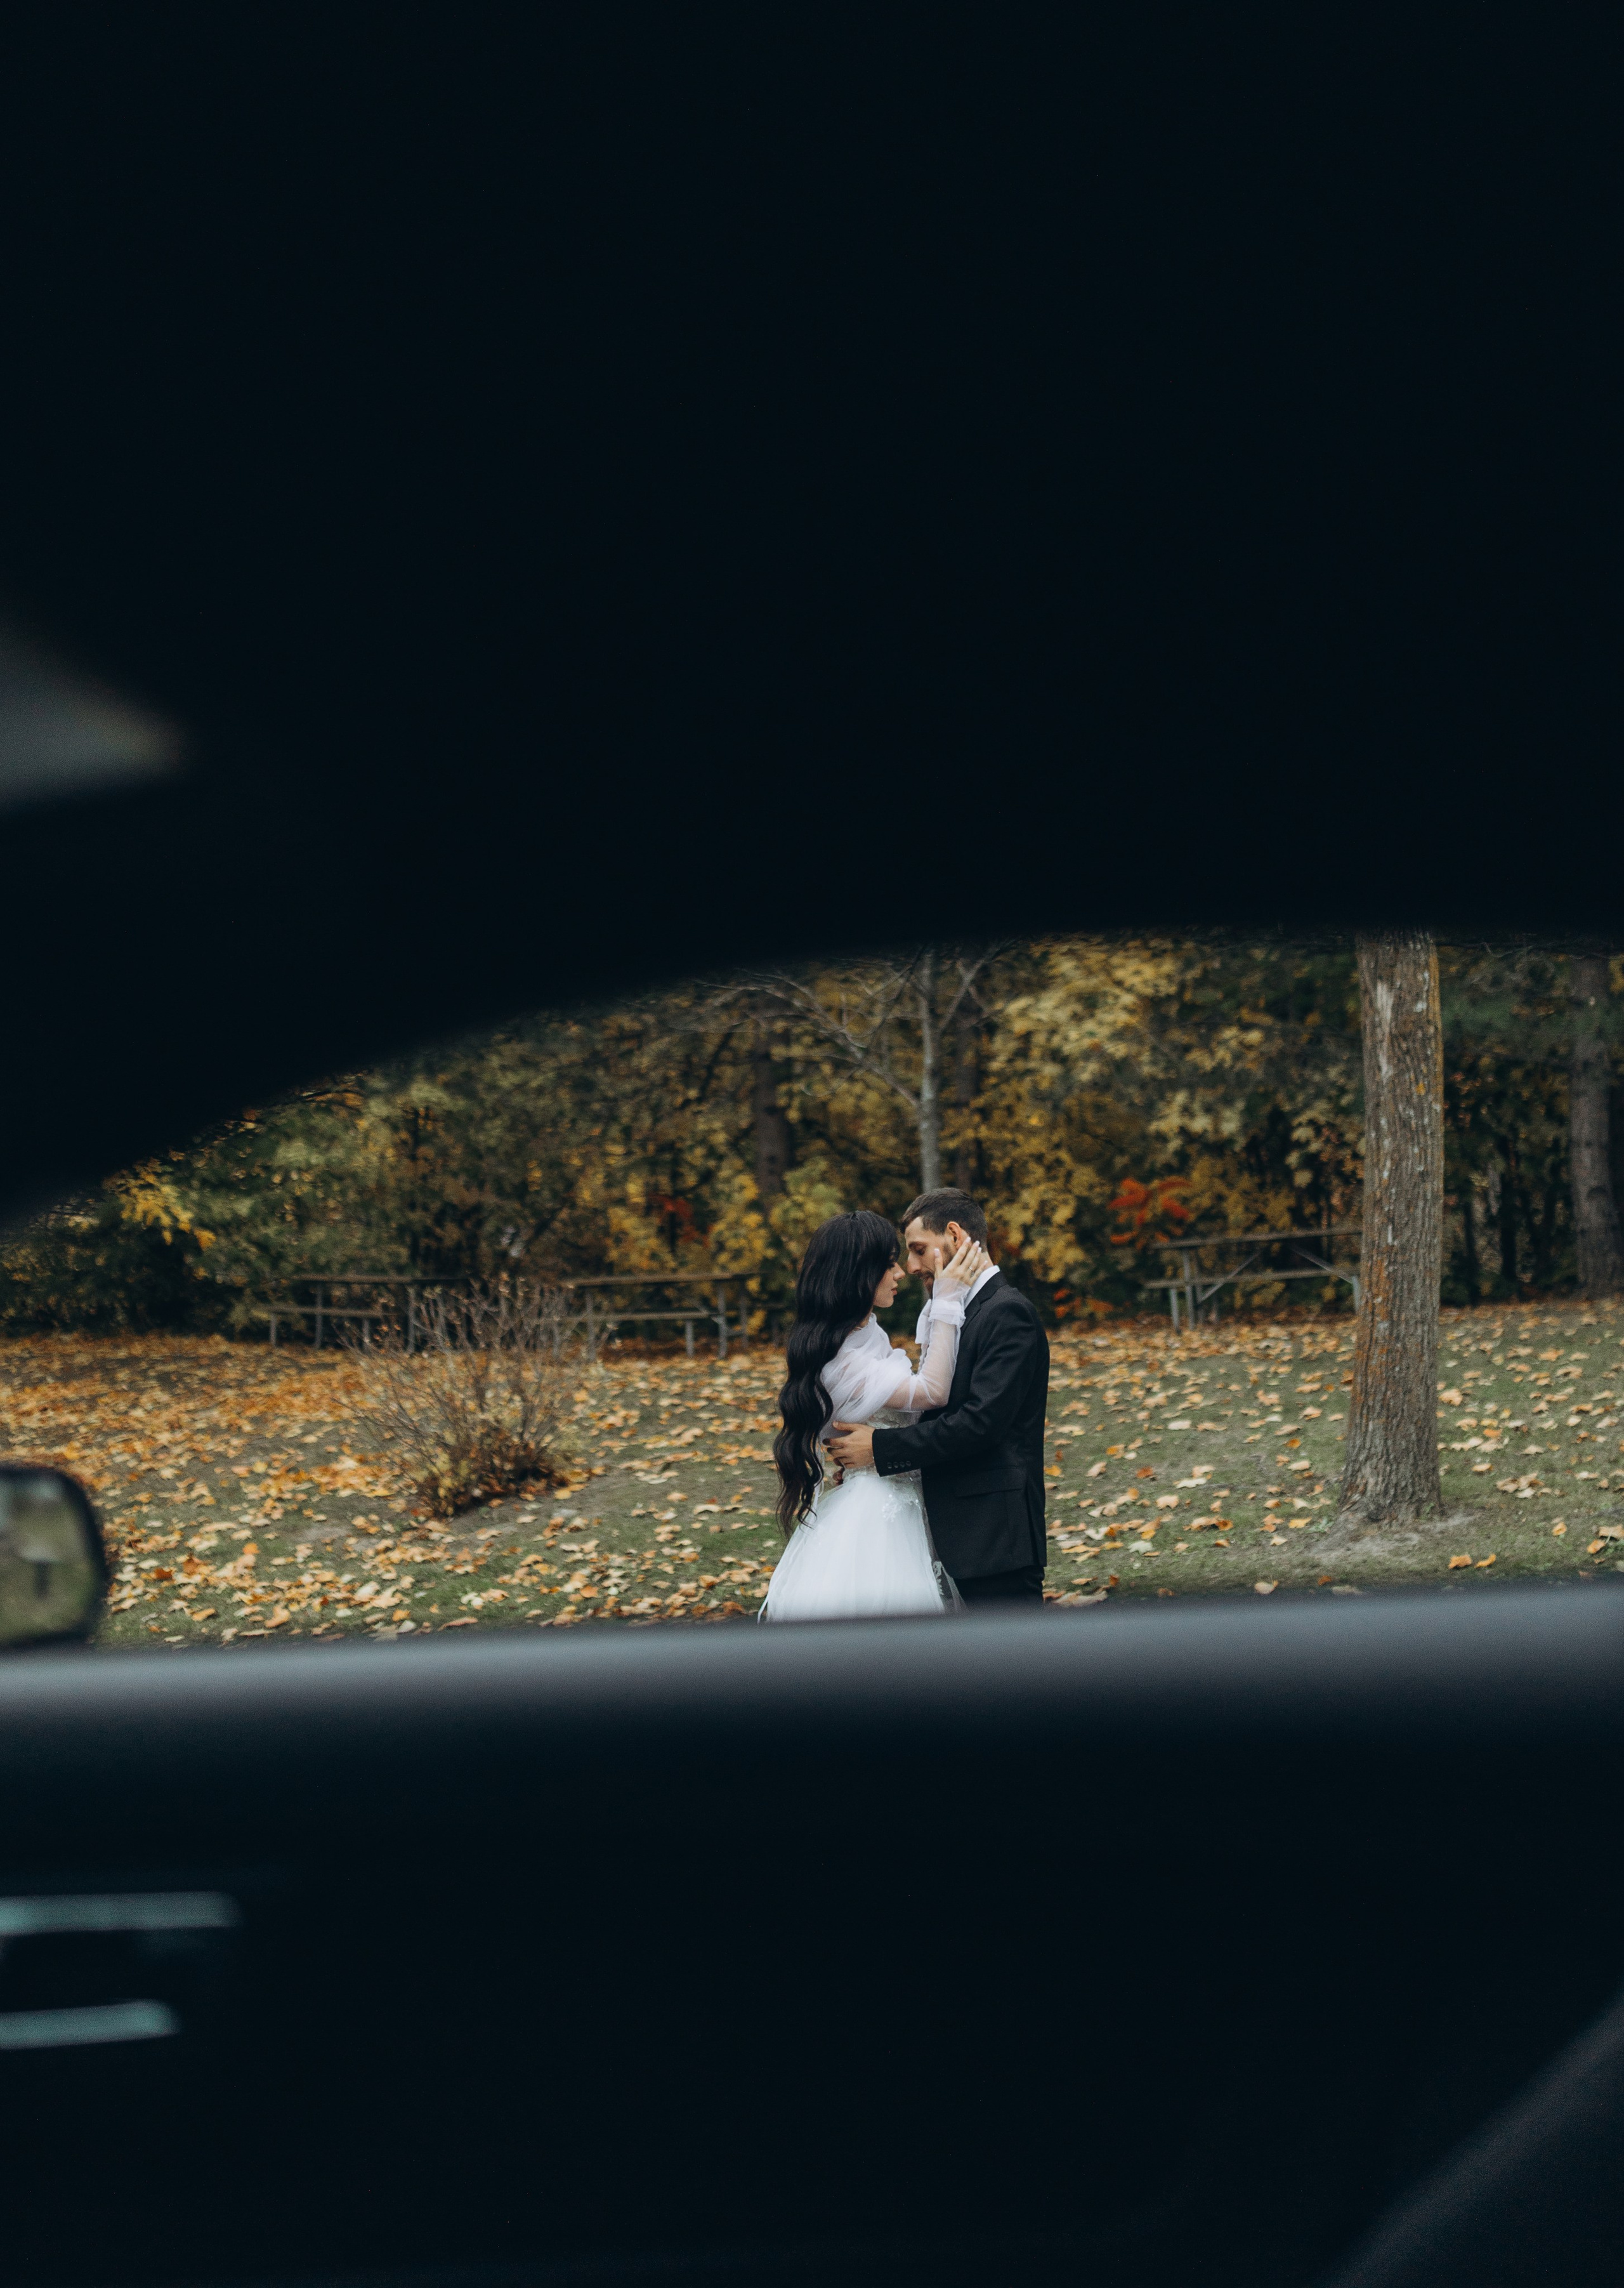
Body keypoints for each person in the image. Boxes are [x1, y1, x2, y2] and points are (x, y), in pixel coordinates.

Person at [826, 1188, 1050, 1608]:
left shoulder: (1006, 1313)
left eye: (917, 1250)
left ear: (954, 1235)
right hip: (948, 1536)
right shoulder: (952, 1311)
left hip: (995, 1541)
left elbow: (980, 1425)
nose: (911, 1266)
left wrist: (878, 1447)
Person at [763, 1209, 989, 1621]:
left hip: (908, 1500)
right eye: (889, 1264)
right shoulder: (843, 1358)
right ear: (858, 1273)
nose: (901, 1272)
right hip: (878, 1516)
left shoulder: (865, 1334)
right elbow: (932, 1392)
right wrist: (948, 1299)